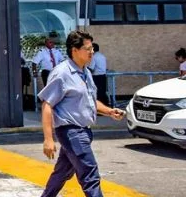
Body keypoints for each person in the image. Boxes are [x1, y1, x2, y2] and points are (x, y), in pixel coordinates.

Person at [38, 31, 125, 197]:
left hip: (83, 131)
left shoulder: (86, 72)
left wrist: (109, 111)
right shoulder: (62, 73)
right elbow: (47, 104)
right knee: (90, 175)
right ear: (74, 50)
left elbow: (90, 101)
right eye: (88, 49)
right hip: (72, 132)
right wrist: (48, 139)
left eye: (92, 48)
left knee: (62, 172)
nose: (92, 52)